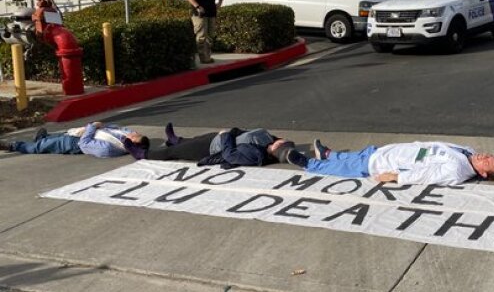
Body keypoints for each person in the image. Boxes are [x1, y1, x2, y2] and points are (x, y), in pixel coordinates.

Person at [285, 139, 494, 187]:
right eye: (490, 156)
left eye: (488, 162)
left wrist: (395, 177)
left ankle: (309, 164)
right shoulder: (468, 152)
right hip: (394, 151)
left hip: (385, 165)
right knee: (359, 155)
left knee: (350, 167)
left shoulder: (458, 170)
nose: (486, 156)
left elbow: (427, 176)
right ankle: (329, 155)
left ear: (482, 174)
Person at [127, 123, 292, 168]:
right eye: (283, 141)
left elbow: (230, 155)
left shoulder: (257, 154)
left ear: (275, 150)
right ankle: (177, 139)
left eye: (282, 144)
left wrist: (226, 136)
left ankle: (142, 154)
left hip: (210, 149)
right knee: (193, 139)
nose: (282, 140)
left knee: (173, 152)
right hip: (218, 138)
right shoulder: (269, 138)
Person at [0, 122, 149, 158]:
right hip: (77, 134)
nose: (133, 133)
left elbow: (85, 144)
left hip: (74, 143)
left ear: (132, 143)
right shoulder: (124, 136)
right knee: (55, 137)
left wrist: (92, 126)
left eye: (134, 136)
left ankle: (12, 146)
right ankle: (43, 137)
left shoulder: (109, 148)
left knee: (40, 147)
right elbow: (119, 128)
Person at [186, 0, 225, 64]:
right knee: (201, 35)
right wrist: (198, 6)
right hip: (199, 14)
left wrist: (219, 3)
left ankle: (207, 56)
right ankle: (203, 58)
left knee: (211, 35)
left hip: (211, 13)